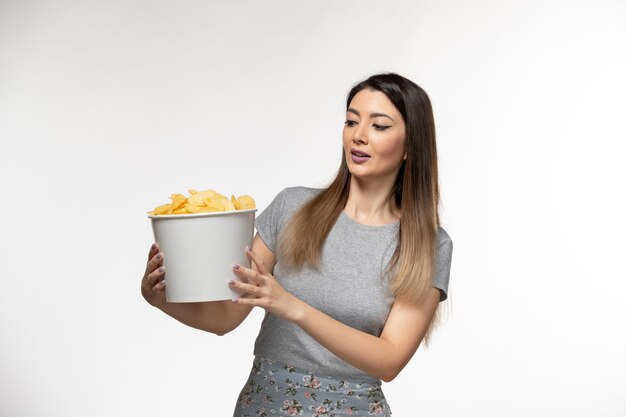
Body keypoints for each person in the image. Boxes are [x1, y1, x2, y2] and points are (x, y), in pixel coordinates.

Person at [141, 72, 453, 416]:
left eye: (379, 126)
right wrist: (159, 299)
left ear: (411, 145)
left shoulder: (428, 245)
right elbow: (225, 319)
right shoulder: (292, 208)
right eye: (351, 121)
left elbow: (390, 360)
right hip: (264, 405)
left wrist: (293, 307)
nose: (359, 136)